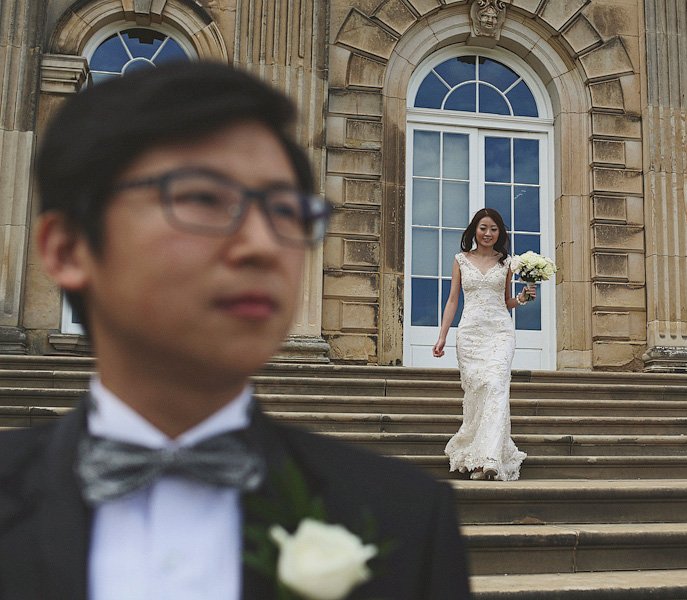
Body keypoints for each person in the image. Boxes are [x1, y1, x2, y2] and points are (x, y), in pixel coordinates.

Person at [0, 62, 470, 600]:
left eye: (286, 210)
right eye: (202, 198)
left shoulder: (403, 517)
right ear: (68, 248)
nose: (262, 246)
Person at [432, 208, 533, 481]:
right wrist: (442, 336)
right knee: (478, 391)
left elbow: (506, 301)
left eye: (494, 229)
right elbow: (453, 300)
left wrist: (522, 298)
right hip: (471, 334)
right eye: (483, 228)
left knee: (496, 384)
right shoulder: (460, 260)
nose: (488, 233)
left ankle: (489, 459)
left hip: (500, 331)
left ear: (500, 233)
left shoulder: (507, 262)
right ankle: (477, 456)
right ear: (474, 230)